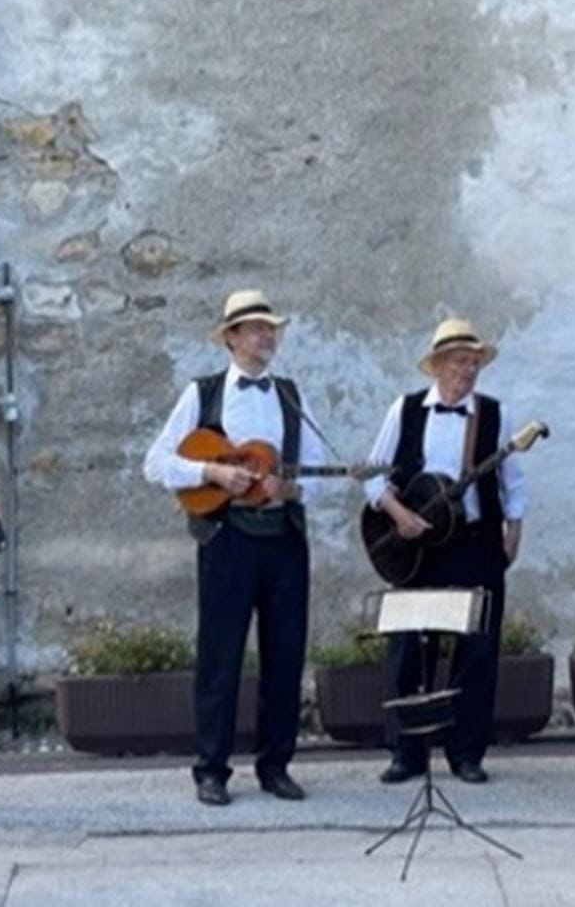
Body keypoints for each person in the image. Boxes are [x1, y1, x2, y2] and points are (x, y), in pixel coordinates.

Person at [144, 289, 324, 806]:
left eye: (271, 328)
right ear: (231, 338)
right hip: (227, 540)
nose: (267, 336)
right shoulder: (202, 395)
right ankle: (211, 769)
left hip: (284, 539)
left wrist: (289, 489)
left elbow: (313, 471)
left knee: (286, 654)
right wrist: (214, 471)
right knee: (220, 656)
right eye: (256, 329)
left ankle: (276, 765)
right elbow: (156, 462)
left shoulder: (290, 394)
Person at [363, 317, 526, 785]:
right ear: (436, 365)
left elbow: (512, 482)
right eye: (459, 361)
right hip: (417, 549)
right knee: (410, 649)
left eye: (474, 363)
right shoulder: (406, 409)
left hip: (475, 542)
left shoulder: (496, 415)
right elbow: (372, 475)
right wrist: (397, 513)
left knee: (478, 650)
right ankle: (406, 752)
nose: (468, 370)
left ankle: (467, 753)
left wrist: (513, 530)